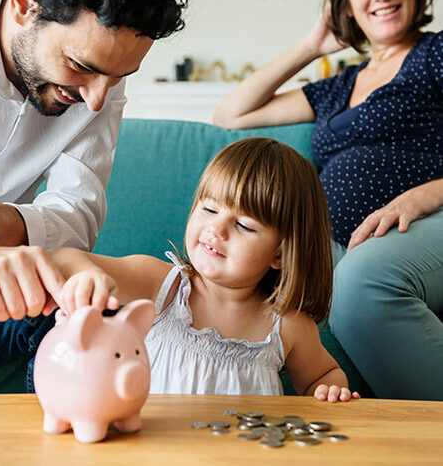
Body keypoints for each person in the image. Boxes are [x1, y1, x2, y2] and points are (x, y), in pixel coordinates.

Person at [212, 0, 443, 400]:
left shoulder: (436, 54)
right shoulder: (338, 87)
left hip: (428, 219)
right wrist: (311, 46)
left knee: (360, 287)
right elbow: (230, 114)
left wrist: (422, 196)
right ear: (347, 4)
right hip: (345, 241)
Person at [0, 0, 186, 369]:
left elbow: (75, 219)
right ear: (24, 3)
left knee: (87, 313)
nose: (95, 101)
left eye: (118, 76)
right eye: (80, 66)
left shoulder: (101, 74)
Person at [49, 137, 361, 401]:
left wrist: (330, 391)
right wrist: (87, 276)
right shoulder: (162, 285)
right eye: (209, 209)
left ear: (280, 254)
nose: (216, 228)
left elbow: (323, 375)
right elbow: (65, 260)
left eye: (243, 225)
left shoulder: (287, 325)